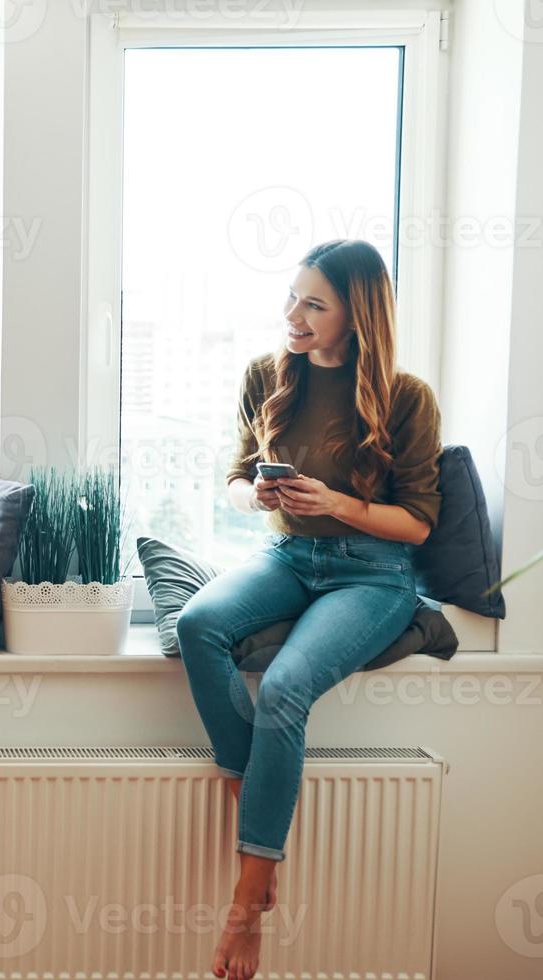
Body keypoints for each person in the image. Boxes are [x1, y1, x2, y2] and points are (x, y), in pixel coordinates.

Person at [175, 239, 442, 980]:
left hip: (374, 575)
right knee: (198, 624)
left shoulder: (405, 395)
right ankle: (253, 785)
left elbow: (417, 523)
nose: (293, 314)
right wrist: (253, 496)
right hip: (289, 557)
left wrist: (341, 505)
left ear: (356, 316)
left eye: (313, 304)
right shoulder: (267, 375)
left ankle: (248, 902)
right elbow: (233, 477)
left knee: (287, 687)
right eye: (292, 296)